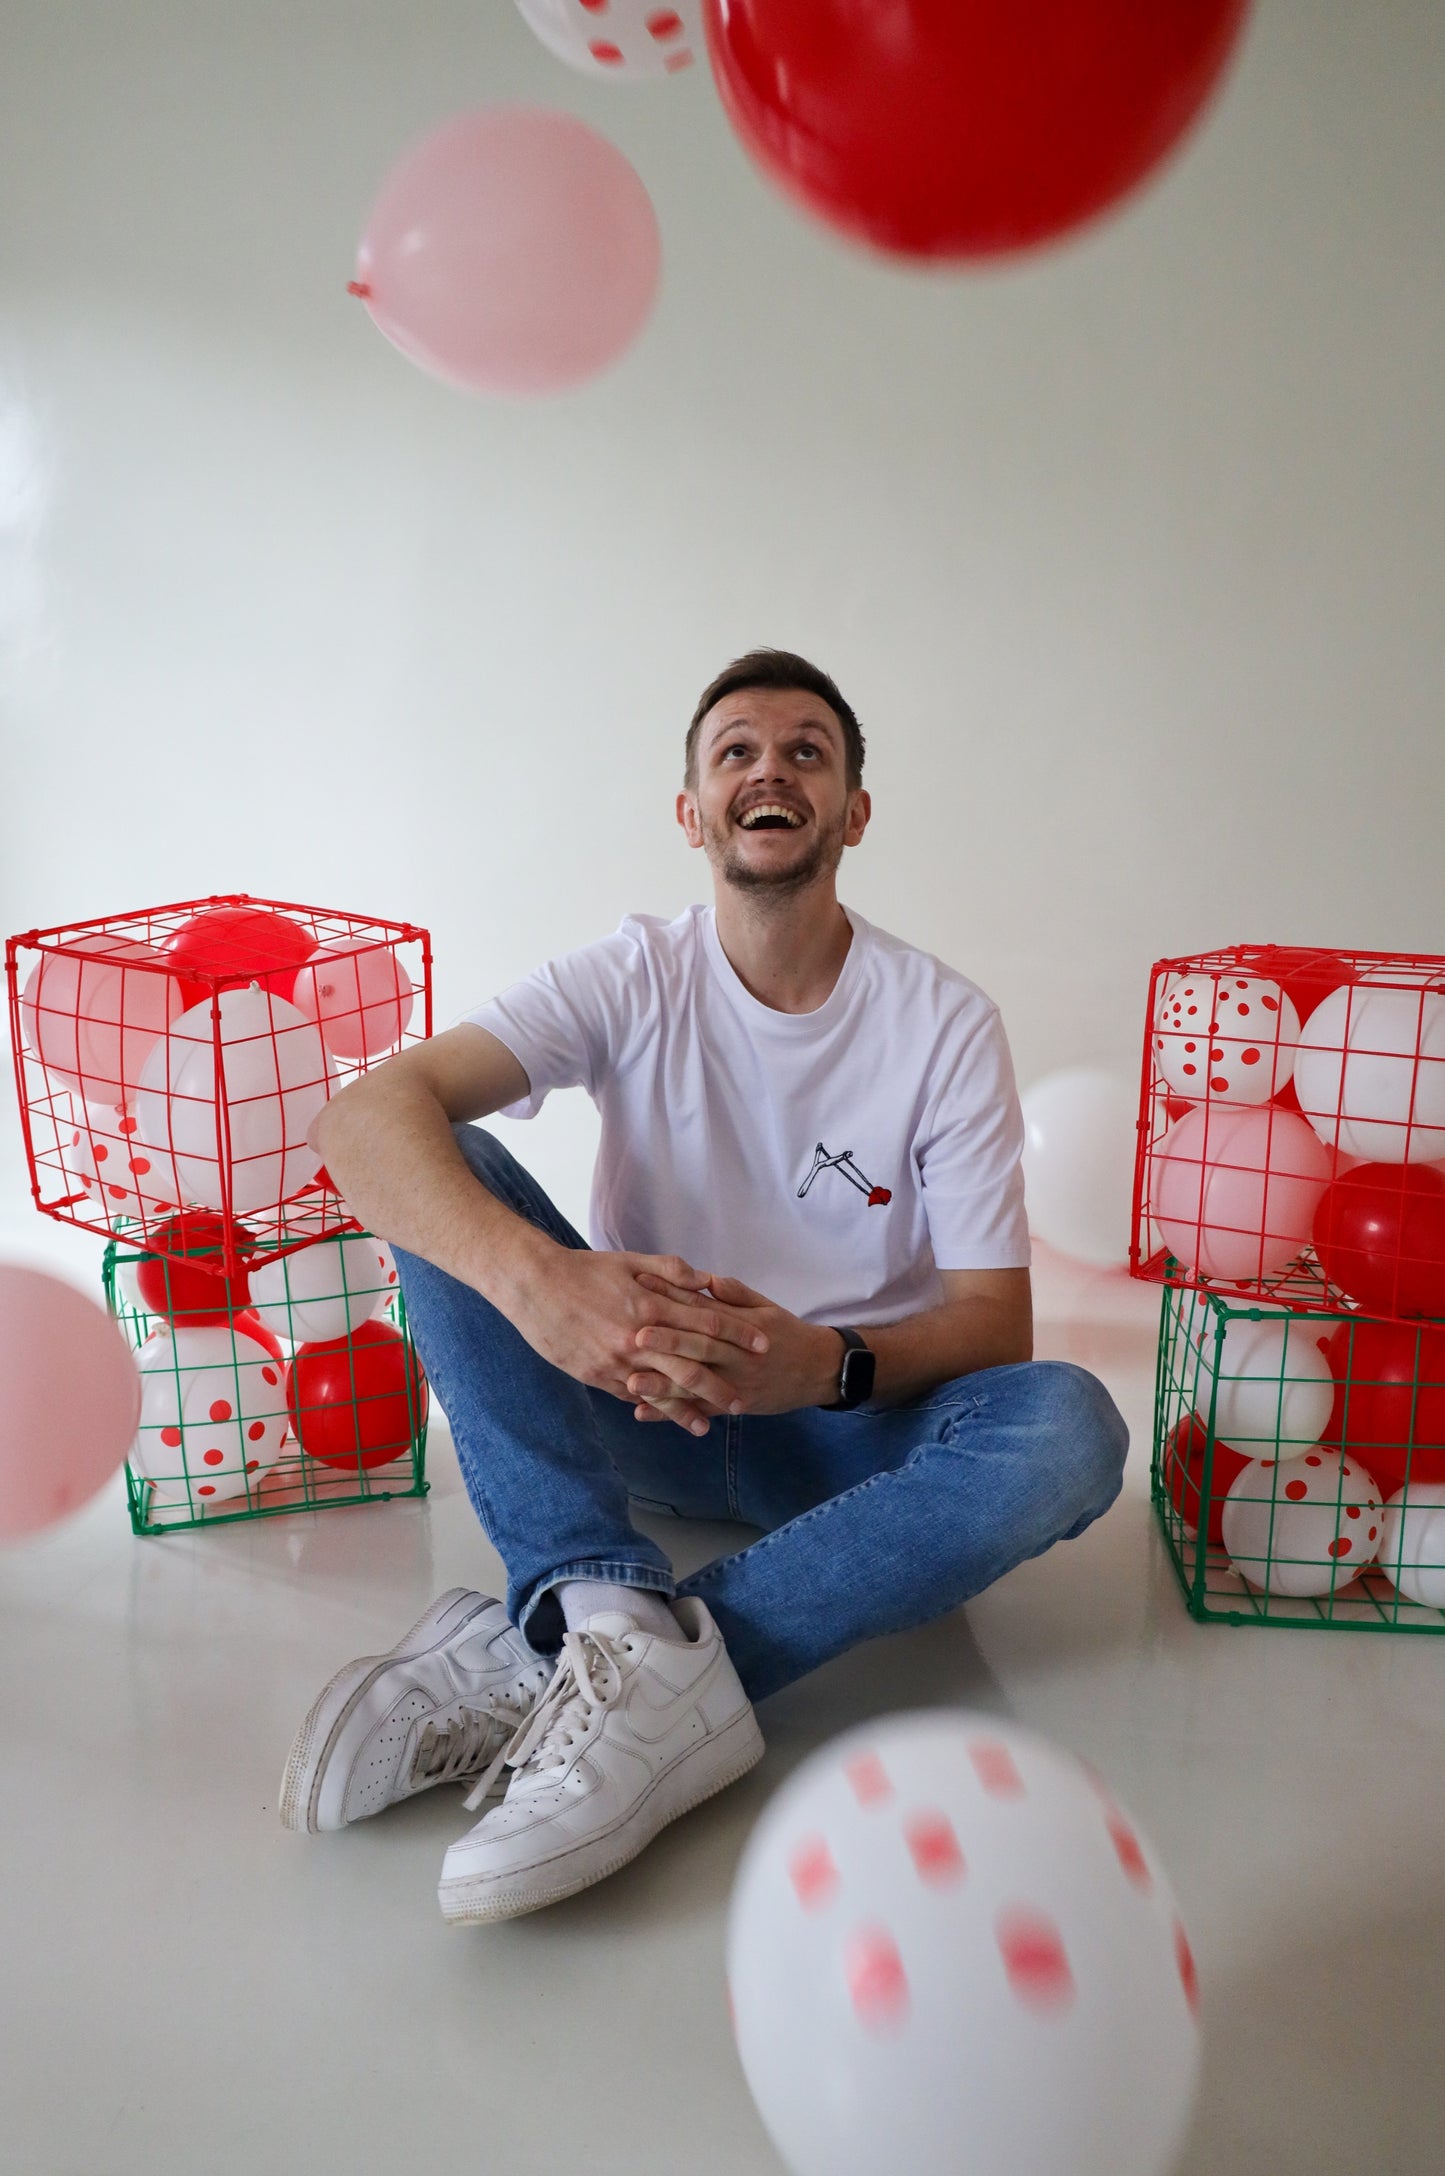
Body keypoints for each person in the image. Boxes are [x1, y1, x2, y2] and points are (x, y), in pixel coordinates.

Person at [279, 649, 1127, 1925]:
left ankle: (579, 1646)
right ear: (691, 811)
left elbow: (992, 1324)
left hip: (842, 1437)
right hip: (636, 1406)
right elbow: (360, 1121)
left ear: (851, 811)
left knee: (1068, 1425)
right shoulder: (633, 972)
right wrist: (544, 1284)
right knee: (438, 1156)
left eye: (805, 751)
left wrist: (824, 1363)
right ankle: (599, 1603)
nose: (768, 769)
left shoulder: (941, 1021)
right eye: (736, 750)